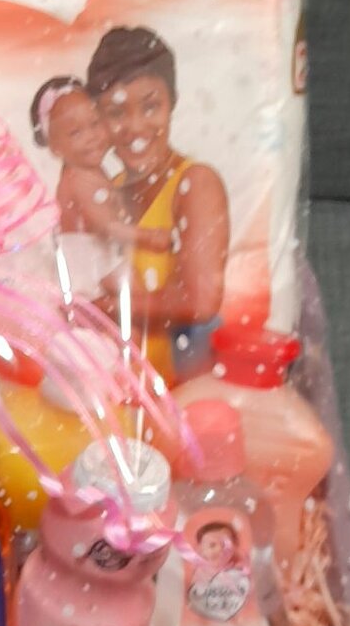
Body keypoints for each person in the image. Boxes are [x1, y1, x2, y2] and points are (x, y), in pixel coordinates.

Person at [85, 27, 230, 384]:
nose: (135, 127)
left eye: (150, 107)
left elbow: (201, 301)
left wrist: (105, 309)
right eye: (116, 112)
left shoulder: (194, 183)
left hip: (177, 394)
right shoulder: (106, 192)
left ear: (172, 102)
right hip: (108, 387)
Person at [29, 75, 173, 249]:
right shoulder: (77, 180)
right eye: (76, 133)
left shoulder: (88, 170)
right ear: (55, 147)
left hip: (101, 255)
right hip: (88, 260)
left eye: (95, 123)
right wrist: (149, 236)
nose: (91, 137)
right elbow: (109, 228)